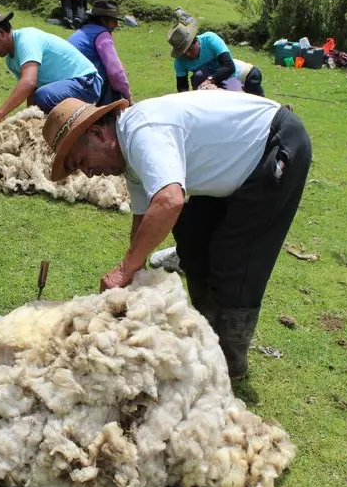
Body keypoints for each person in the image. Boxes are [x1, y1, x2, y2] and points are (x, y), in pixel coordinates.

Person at [42, 91, 311, 381]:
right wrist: (133, 275)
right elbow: (145, 214)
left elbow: (169, 201)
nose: (89, 173)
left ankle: (229, 364)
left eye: (81, 161)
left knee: (235, 258)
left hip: (274, 146)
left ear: (97, 133)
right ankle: (206, 334)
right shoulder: (128, 157)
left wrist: (124, 270)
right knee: (193, 235)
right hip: (234, 166)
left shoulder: (143, 132)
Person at [0, 6, 102, 132]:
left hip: (86, 82)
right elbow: (30, 89)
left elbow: (29, 82)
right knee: (41, 98)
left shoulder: (27, 39)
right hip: (68, 87)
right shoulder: (11, 60)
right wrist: (29, 120)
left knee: (44, 96)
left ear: (1, 33)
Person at [168, 22, 265, 96]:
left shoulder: (210, 40)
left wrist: (210, 80)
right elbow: (182, 90)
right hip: (220, 83)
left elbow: (229, 67)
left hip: (239, 76)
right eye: (183, 53)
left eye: (190, 49)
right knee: (198, 77)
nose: (188, 55)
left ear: (196, 41)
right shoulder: (180, 62)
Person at [67, 0, 132, 106]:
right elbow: (115, 72)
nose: (116, 25)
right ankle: (108, 118)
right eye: (114, 21)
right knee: (114, 81)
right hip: (82, 84)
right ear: (103, 20)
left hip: (68, 80)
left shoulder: (83, 31)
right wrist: (128, 97)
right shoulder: (102, 35)